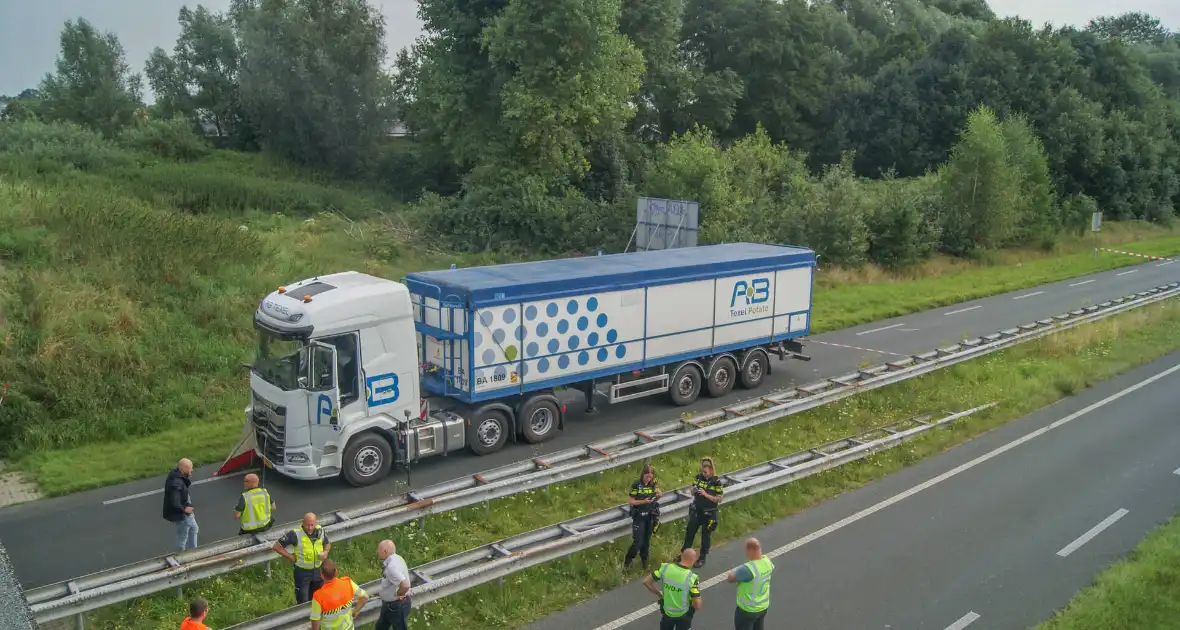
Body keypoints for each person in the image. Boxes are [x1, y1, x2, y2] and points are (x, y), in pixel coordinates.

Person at [273, 512, 332, 604]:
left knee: (319, 599)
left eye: (312, 525)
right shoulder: (295, 534)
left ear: (316, 523)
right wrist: (290, 557)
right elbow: (276, 546)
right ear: (302, 523)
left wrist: (326, 552)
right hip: (302, 573)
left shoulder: (321, 531)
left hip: (318, 572)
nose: (309, 528)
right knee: (303, 601)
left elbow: (327, 544)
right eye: (307, 525)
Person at [644, 548, 702, 630]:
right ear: (694, 560)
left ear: (681, 556)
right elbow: (697, 604)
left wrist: (659, 594)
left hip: (667, 613)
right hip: (684, 615)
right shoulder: (692, 578)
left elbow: (646, 581)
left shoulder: (665, 568)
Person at [681, 457, 723, 568]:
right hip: (697, 510)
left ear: (711, 470)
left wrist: (706, 494)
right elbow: (692, 490)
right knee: (690, 532)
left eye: (706, 472)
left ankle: (702, 557)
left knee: (705, 536)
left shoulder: (716, 482)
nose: (704, 474)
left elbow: (719, 499)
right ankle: (684, 554)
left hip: (709, 513)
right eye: (702, 471)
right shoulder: (698, 478)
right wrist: (693, 490)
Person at [726, 538, 774, 630]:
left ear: (751, 550)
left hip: (747, 610)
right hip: (762, 607)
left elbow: (730, 578)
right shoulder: (767, 562)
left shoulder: (748, 569)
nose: (746, 553)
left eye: (746, 550)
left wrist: (736, 570)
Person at [310, 559, 369, 630]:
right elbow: (365, 597)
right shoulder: (348, 583)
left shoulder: (318, 596)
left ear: (322, 575)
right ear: (336, 571)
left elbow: (315, 619)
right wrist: (355, 612)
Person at [624, 463, 662, 569]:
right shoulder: (636, 485)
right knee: (638, 542)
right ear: (643, 475)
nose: (648, 478)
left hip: (649, 516)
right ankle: (628, 561)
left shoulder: (653, 484)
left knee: (646, 542)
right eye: (647, 476)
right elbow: (631, 501)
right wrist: (643, 501)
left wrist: (658, 497)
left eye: (651, 476)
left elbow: (654, 500)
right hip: (639, 516)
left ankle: (644, 562)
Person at [375, 539, 412, 630]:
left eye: (378, 550)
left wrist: (399, 594)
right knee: (380, 627)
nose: (377, 552)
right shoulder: (398, 558)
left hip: (396, 606)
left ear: (385, 551)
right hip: (389, 605)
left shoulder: (391, 567)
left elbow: (405, 585)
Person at [163, 458, 199, 551]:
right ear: (184, 469)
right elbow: (175, 501)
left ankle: (194, 552)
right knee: (182, 538)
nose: (192, 470)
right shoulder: (177, 482)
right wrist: (185, 509)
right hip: (182, 514)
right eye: (190, 468)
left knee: (194, 529)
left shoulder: (176, 475)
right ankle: (181, 557)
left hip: (185, 511)